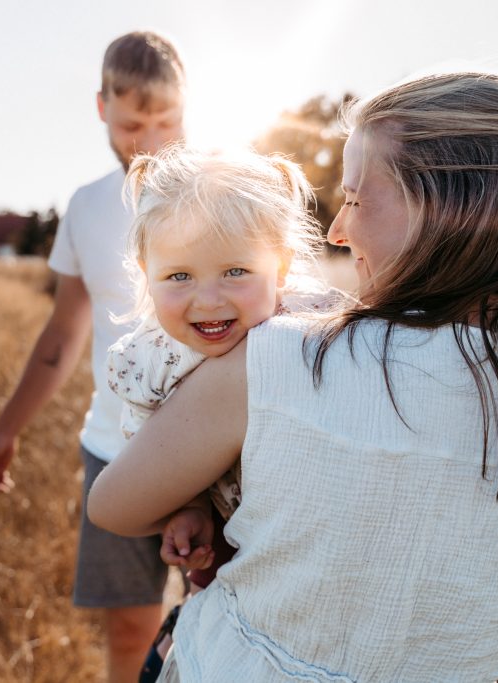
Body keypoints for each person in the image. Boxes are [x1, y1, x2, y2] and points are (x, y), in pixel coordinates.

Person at [88, 72, 498, 682]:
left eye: (354, 197)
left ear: (447, 210)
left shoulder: (283, 358)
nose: (339, 230)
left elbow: (115, 506)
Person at [0, 30, 186, 682]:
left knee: (213, 625)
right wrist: (6, 428)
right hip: (113, 450)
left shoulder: (216, 191)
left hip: (210, 453)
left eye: (166, 121)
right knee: (128, 629)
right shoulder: (88, 207)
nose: (147, 140)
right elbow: (62, 334)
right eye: (130, 124)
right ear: (101, 109)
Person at [106, 145, 344, 589]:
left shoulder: (316, 325)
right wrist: (192, 508)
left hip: (318, 536)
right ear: (147, 273)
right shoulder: (148, 359)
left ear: (281, 267)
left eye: (236, 271)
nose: (209, 300)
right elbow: (157, 456)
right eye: (179, 276)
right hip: (229, 540)